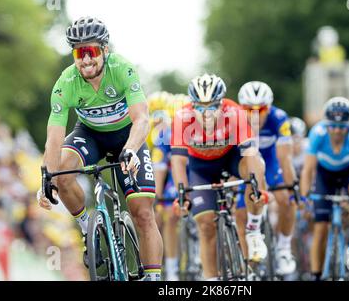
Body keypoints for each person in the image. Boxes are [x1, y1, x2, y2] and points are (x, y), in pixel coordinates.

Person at [36, 17, 162, 280]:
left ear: (104, 50)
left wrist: (131, 148)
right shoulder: (66, 82)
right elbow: (54, 136)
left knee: (142, 213)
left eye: (91, 51)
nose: (85, 59)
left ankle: (154, 278)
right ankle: (87, 228)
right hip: (90, 134)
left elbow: (142, 119)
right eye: (78, 53)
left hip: (128, 137)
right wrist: (47, 176)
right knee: (61, 172)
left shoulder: (123, 69)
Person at [170, 73, 268, 280]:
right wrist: (182, 194)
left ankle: (253, 229)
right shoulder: (181, 118)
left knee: (256, 166)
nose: (206, 114)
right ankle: (212, 281)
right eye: (200, 107)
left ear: (222, 105)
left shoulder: (235, 112)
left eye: (212, 107)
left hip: (230, 159)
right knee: (206, 225)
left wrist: (254, 185)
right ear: (191, 105)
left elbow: (249, 153)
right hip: (201, 169)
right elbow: (178, 161)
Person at [300, 97, 349, 281]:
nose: (337, 130)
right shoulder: (318, 133)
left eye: (342, 126)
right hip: (324, 174)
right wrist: (304, 199)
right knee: (321, 228)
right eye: (332, 126)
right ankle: (316, 275)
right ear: (326, 125)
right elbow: (308, 170)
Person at [235, 81, 298, 275]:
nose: (255, 115)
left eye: (261, 110)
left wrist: (292, 186)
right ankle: (249, 268)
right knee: (240, 213)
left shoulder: (279, 118)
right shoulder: (235, 119)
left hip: (271, 162)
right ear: (241, 108)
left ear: (268, 108)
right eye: (249, 109)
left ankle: (284, 248)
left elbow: (285, 157)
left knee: (286, 201)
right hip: (245, 163)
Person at [152, 93, 190, 281]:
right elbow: (159, 168)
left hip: (197, 174)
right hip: (175, 178)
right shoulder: (164, 135)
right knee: (169, 214)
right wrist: (158, 197)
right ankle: (173, 269)